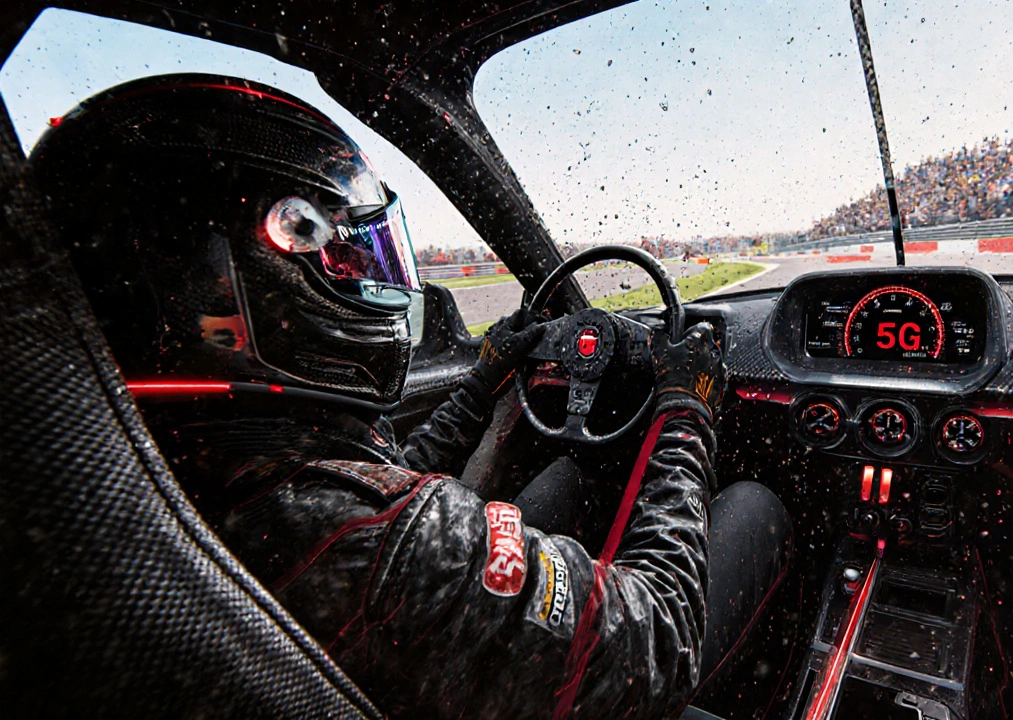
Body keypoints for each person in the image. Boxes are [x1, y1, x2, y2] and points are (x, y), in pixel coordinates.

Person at [28, 75, 791, 719]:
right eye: (354, 256)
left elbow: (383, 482)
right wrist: (686, 411)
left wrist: (483, 376)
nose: (377, 281)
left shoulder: (171, 465)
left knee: (565, 479)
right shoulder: (377, 542)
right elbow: (660, 637)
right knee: (757, 505)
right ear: (248, 279)